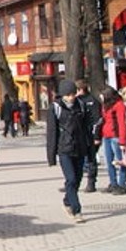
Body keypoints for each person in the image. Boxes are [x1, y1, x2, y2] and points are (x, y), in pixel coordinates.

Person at [47, 79, 90, 223]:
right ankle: (76, 210)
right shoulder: (55, 108)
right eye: (68, 95)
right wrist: (51, 156)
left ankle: (67, 200)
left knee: (77, 179)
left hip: (80, 147)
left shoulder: (81, 105)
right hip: (64, 148)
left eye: (73, 94)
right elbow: (52, 132)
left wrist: (90, 150)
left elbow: (86, 129)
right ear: (62, 95)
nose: (71, 97)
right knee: (70, 179)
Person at [75, 80, 103, 192]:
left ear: (80, 89)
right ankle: (74, 183)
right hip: (78, 135)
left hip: (90, 134)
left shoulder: (93, 101)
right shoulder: (76, 101)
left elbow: (98, 120)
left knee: (90, 159)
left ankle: (91, 182)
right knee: (77, 160)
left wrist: (96, 136)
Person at [100, 86, 126, 195]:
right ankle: (113, 183)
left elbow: (122, 123)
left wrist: (122, 141)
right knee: (109, 161)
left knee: (120, 161)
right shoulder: (106, 105)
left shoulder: (119, 105)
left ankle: (122, 185)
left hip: (116, 135)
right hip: (106, 135)